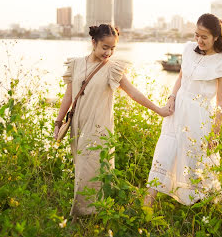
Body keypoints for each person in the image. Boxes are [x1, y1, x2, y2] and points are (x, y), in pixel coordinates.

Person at [53, 24, 171, 217]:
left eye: (113, 48)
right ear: (93, 42)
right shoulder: (75, 64)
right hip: (78, 127)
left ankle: (81, 217)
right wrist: (58, 123)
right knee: (81, 172)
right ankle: (92, 217)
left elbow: (133, 93)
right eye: (105, 47)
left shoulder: (112, 69)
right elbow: (68, 97)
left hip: (98, 129)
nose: (108, 52)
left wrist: (159, 110)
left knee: (90, 173)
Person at [145, 13, 222, 206]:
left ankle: (194, 207)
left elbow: (221, 102)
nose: (199, 40)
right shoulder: (188, 49)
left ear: (215, 37)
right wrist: (171, 97)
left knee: (194, 162)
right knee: (163, 154)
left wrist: (215, 134)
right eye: (197, 35)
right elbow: (180, 79)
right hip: (177, 112)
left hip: (199, 117)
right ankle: (146, 207)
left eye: (204, 37)